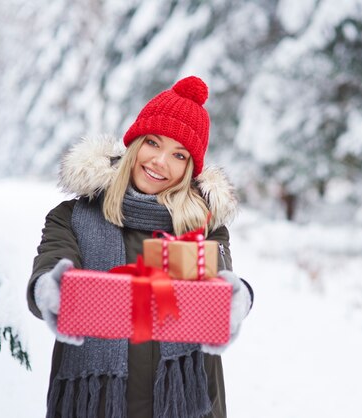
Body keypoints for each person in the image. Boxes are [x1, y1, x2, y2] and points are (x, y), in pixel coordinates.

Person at [26, 76, 254, 418]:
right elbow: (51, 265)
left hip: (186, 404)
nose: (160, 161)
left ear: (190, 168)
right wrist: (53, 290)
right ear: (134, 144)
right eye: (152, 143)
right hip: (96, 403)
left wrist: (236, 297)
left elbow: (220, 278)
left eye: (178, 154)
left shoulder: (202, 227)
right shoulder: (73, 217)